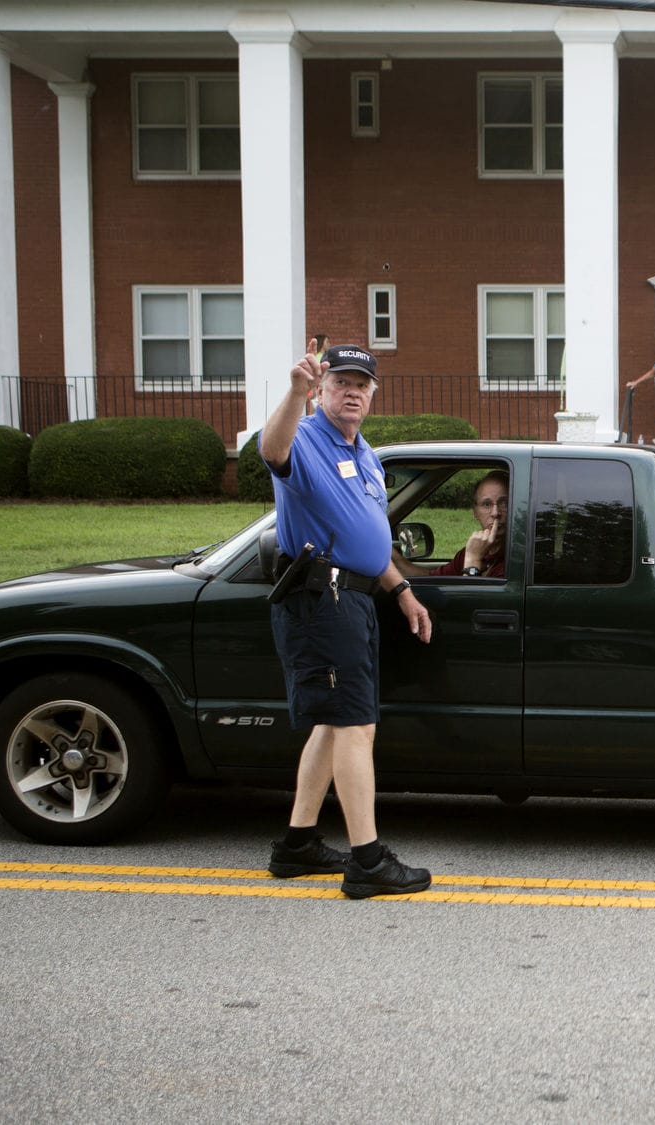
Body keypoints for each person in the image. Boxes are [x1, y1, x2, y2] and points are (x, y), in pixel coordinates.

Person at [261, 339, 436, 899]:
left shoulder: (365, 454)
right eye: (340, 384)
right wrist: (294, 392)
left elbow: (367, 536)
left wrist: (401, 587)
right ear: (322, 389)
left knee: (334, 723)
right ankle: (366, 861)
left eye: (361, 385)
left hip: (355, 598)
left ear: (372, 394)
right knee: (357, 725)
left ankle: (297, 845)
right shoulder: (306, 438)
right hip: (321, 599)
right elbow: (271, 449)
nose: (352, 393)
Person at [396, 469, 509, 579]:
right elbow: (433, 580)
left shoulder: (516, 560)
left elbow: (471, 598)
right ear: (475, 512)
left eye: (504, 503)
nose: (495, 513)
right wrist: (394, 557)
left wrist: (473, 559)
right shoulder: (474, 550)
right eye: (487, 504)